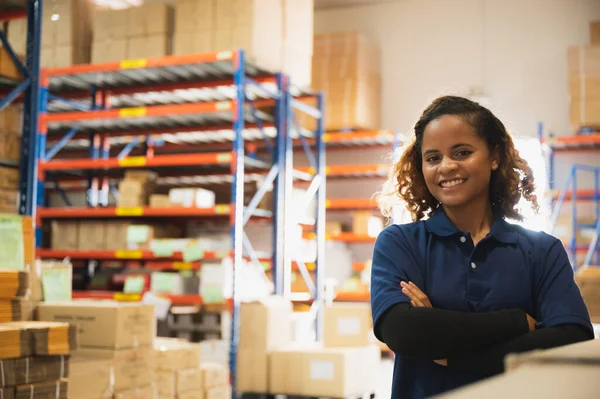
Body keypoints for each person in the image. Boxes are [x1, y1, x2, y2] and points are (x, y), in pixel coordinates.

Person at [371, 96, 593, 399]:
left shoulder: (542, 251)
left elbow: (572, 339)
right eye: (433, 158)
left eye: (462, 152)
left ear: (495, 157)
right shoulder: (400, 242)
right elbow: (402, 331)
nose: (446, 166)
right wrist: (518, 322)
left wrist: (449, 348)